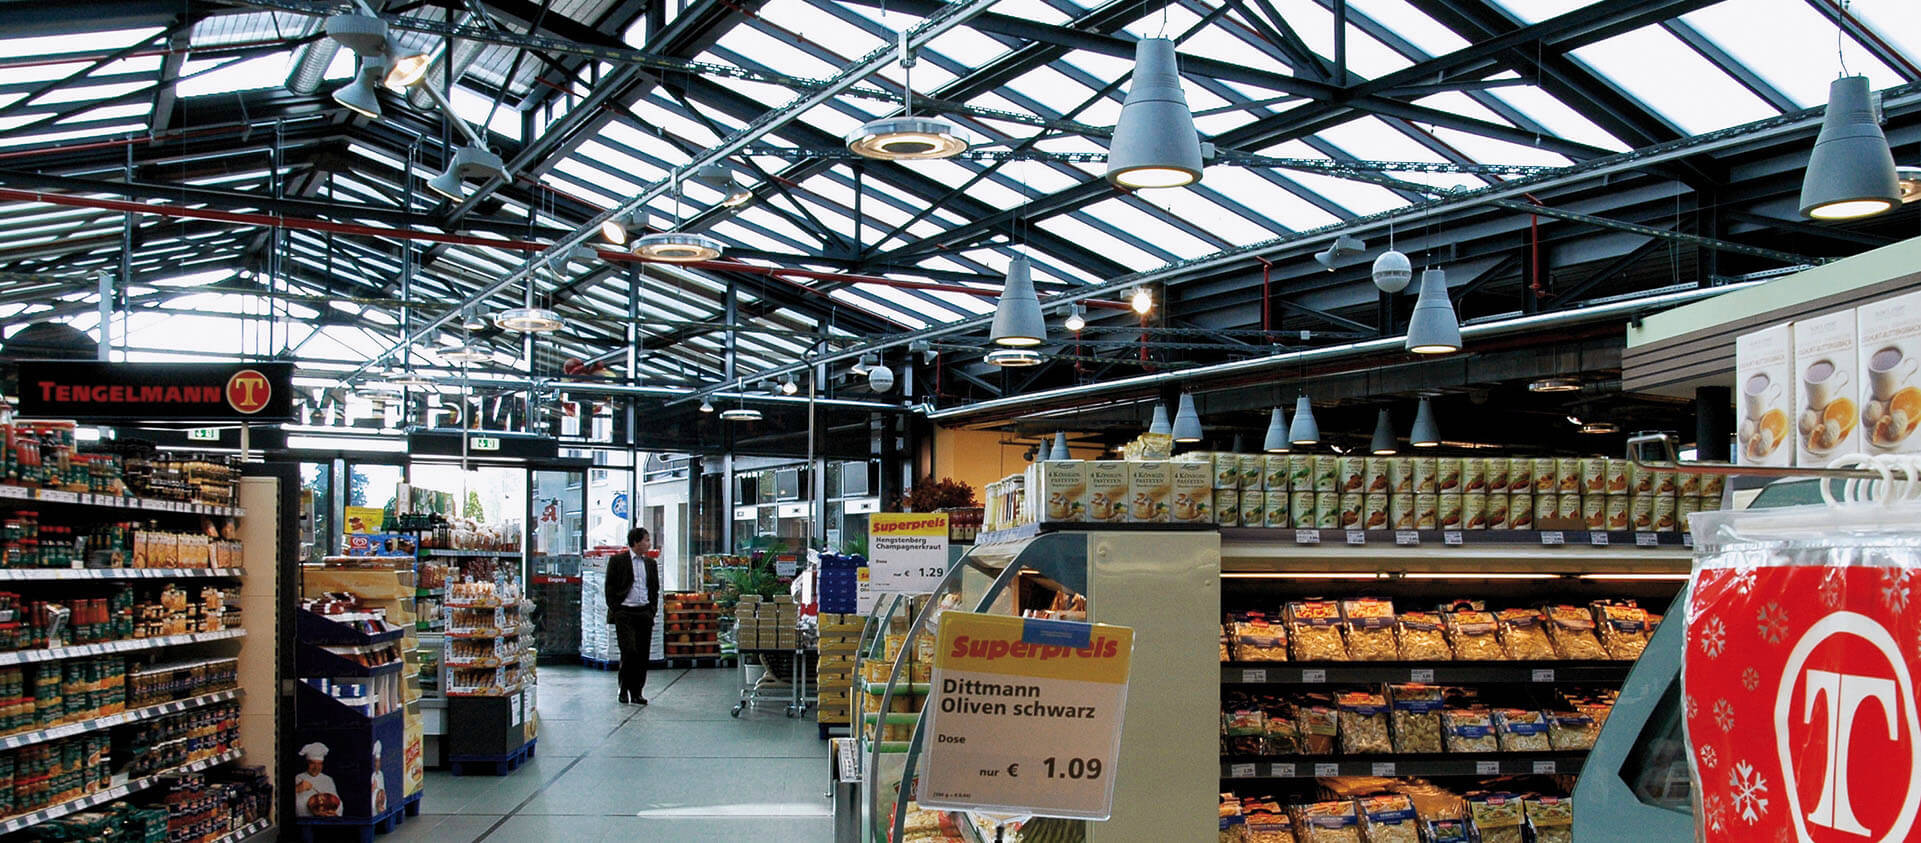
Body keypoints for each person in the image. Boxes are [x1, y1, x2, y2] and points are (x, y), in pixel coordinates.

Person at [605, 526, 659, 704]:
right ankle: (623, 687)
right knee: (629, 651)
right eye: (646, 540)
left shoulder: (650, 564)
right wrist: (616, 609)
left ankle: (637, 692)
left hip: (644, 612)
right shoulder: (618, 561)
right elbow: (610, 588)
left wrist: (652, 610)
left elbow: (654, 589)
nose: (649, 543)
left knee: (642, 654)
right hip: (625, 613)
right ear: (636, 542)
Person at [293, 742, 340, 818]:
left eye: (319, 764)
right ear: (307, 763)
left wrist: (333, 812)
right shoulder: (297, 778)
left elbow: (337, 803)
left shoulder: (328, 780)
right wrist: (297, 789)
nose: (316, 768)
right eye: (312, 763)